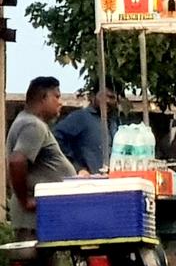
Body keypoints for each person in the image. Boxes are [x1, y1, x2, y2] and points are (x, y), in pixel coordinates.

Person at [7, 77, 76, 253]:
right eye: (56, 97)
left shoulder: (28, 122)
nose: (60, 103)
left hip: (41, 219)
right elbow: (16, 161)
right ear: (42, 98)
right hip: (33, 221)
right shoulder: (33, 125)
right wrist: (26, 200)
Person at [52, 84, 118, 175]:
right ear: (92, 96)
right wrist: (77, 167)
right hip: (87, 182)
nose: (107, 101)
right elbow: (55, 138)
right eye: (103, 96)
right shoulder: (81, 117)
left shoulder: (114, 123)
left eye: (112, 97)